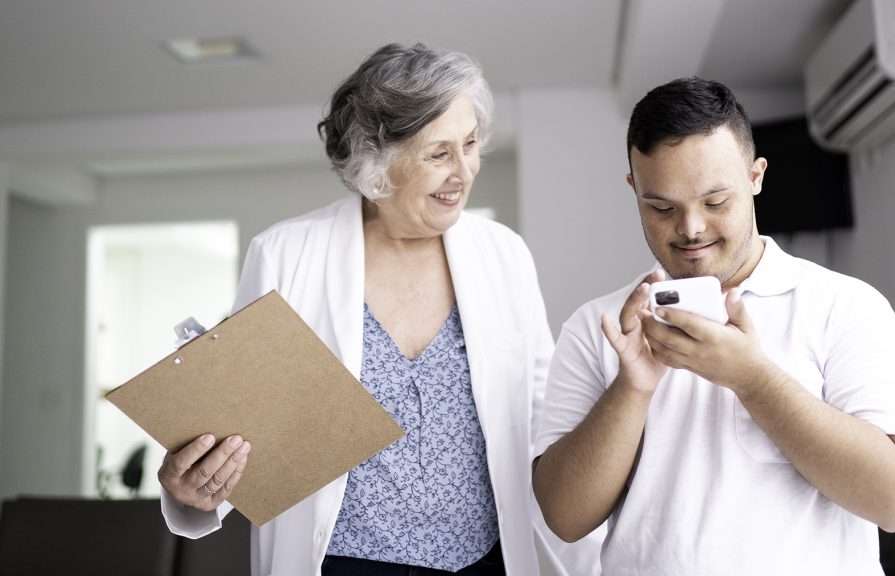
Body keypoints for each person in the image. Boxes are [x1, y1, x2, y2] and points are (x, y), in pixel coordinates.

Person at [157, 42, 594, 576]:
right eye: (439, 154)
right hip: (338, 564)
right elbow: (244, 432)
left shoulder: (503, 254)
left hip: (486, 562)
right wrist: (194, 491)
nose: (465, 171)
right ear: (376, 161)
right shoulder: (285, 255)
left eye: (471, 144)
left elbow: (543, 417)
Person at [531, 77, 895, 575]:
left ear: (756, 176)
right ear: (634, 188)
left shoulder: (845, 306)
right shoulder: (600, 327)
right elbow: (564, 519)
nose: (691, 228)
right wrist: (630, 389)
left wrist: (753, 379)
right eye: (661, 208)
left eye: (715, 201)